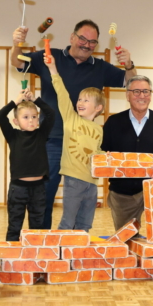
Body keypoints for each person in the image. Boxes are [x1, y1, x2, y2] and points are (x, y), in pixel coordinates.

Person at [11, 19, 137, 229]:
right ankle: (43, 243)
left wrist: (129, 64)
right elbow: (17, 62)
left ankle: (75, 244)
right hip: (51, 141)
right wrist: (16, 44)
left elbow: (130, 83)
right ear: (72, 37)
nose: (87, 44)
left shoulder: (100, 67)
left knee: (82, 202)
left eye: (92, 42)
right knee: (43, 197)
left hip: (82, 148)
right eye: (82, 38)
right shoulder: (50, 57)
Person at [101, 75, 153, 270]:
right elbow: (103, 153)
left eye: (146, 91)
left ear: (150, 95)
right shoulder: (113, 122)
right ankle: (140, 250)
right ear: (128, 95)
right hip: (122, 193)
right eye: (136, 91)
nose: (141, 95)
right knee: (128, 250)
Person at [44, 53, 106, 231]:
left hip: (92, 183)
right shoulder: (70, 118)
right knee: (67, 222)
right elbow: (62, 93)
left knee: (85, 224)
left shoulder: (99, 129)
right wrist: (52, 69)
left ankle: (78, 255)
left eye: (86, 100)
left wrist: (105, 156)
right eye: (79, 99)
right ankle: (60, 254)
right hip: (73, 180)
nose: (80, 102)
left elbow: (96, 152)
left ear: (98, 108)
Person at [0, 88, 55, 241]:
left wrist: (35, 100)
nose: (31, 120)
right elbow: (0, 115)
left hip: (39, 189)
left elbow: (51, 114)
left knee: (37, 228)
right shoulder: (13, 135)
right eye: (26, 117)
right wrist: (15, 102)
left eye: (34, 117)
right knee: (14, 226)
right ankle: (9, 258)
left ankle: (35, 258)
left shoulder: (41, 134)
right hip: (18, 189)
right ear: (16, 121)